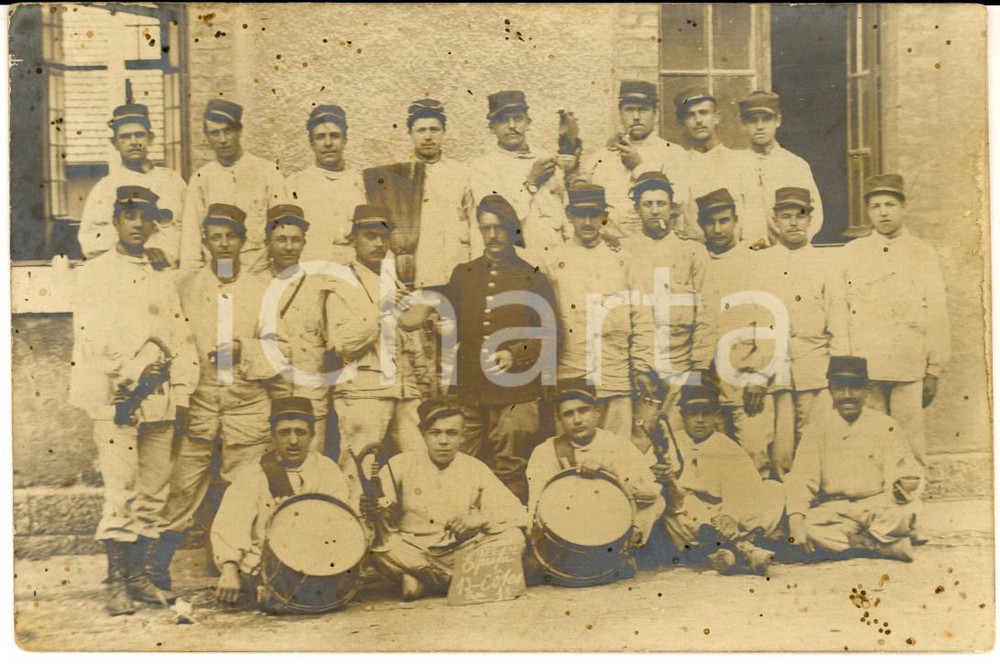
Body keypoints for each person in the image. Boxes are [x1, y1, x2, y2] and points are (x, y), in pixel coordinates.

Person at [69, 186, 198, 614]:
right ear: (115, 222)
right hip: (117, 399)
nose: (139, 225)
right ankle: (116, 582)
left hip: (159, 398)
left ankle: (140, 578)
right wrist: (130, 374)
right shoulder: (96, 273)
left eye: (146, 217)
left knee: (154, 491)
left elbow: (179, 333)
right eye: (130, 217)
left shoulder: (161, 272)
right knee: (120, 489)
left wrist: (181, 389)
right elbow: (92, 335)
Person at [153, 204, 283, 593]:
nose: (223, 244)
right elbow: (170, 342)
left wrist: (245, 350)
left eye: (230, 237)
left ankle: (244, 569)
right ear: (205, 242)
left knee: (246, 489)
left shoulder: (263, 290)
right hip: (201, 404)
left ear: (243, 241)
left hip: (247, 406)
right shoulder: (186, 287)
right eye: (215, 237)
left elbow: (281, 349)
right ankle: (157, 567)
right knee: (182, 487)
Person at [398, 194, 558, 502]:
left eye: (500, 228)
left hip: (516, 394)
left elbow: (551, 335)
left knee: (509, 469)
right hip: (469, 391)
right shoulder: (464, 273)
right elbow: (442, 310)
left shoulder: (532, 277)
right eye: (486, 228)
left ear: (512, 231)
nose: (493, 235)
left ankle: (508, 523)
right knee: (460, 464)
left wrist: (515, 353)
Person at [368, 395, 528, 601]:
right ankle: (463, 581)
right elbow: (381, 505)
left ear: (463, 436)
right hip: (414, 550)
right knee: (380, 547)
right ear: (422, 434)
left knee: (513, 536)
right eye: (435, 433)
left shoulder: (474, 467)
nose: (443, 441)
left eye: (452, 433)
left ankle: (426, 584)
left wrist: (481, 519)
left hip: (461, 551)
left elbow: (516, 513)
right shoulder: (400, 464)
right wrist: (378, 509)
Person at [841, 174, 950, 466]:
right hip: (867, 366)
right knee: (869, 439)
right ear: (868, 211)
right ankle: (874, 491)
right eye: (875, 206)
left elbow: (936, 312)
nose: (883, 212)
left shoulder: (922, 253)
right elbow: (843, 310)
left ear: (903, 207)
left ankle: (912, 491)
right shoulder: (853, 253)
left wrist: (934, 370)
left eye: (890, 204)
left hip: (909, 364)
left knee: (909, 442)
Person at [326, 205, 426, 507]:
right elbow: (344, 343)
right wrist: (381, 310)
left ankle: (416, 528)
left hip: (404, 392)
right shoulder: (341, 282)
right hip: (364, 392)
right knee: (357, 470)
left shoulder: (393, 280)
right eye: (370, 236)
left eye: (384, 237)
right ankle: (352, 529)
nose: (379, 244)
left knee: (418, 465)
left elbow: (410, 339)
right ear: (354, 239)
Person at [212, 397, 353, 608]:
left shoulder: (326, 470)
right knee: (245, 567)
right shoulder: (254, 473)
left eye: (300, 432)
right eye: (284, 432)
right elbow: (230, 523)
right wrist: (230, 568)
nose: (293, 441)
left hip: (316, 558)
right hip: (267, 562)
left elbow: (338, 524)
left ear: (312, 435)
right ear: (273, 435)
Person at [543, 184, 655, 441]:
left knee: (617, 450)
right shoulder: (553, 261)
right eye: (580, 215)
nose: (587, 222)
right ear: (569, 215)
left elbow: (642, 318)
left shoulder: (623, 260)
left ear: (604, 216)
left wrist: (641, 367)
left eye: (594, 215)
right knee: (574, 450)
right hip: (572, 373)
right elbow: (544, 322)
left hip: (615, 374)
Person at [785, 356, 923, 562]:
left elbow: (904, 473)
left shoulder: (885, 425)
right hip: (837, 509)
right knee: (806, 527)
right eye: (839, 389)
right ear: (830, 390)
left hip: (877, 506)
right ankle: (876, 545)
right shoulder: (817, 429)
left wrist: (902, 488)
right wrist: (795, 520)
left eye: (855, 388)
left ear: (866, 389)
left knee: (906, 511)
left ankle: (849, 544)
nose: (847, 396)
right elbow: (801, 478)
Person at [697, 188, 794, 477]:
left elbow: (771, 322)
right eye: (710, 222)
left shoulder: (755, 262)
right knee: (715, 462)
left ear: (736, 221)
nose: (718, 229)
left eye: (724, 221)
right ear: (701, 225)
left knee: (755, 457)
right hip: (710, 382)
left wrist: (760, 377)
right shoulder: (698, 261)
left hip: (748, 381)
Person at [651, 382, 785, 575]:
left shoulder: (726, 447)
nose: (700, 420)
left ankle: (724, 553)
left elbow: (743, 486)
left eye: (706, 413)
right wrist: (661, 476)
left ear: (716, 415)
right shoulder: (670, 443)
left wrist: (731, 515)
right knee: (674, 513)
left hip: (725, 512)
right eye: (693, 413)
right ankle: (742, 550)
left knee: (773, 489)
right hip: (691, 513)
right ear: (682, 415)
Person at [621, 171, 714, 443]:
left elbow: (706, 311)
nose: (655, 211)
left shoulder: (693, 252)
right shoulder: (624, 251)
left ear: (672, 208)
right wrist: (640, 368)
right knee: (642, 443)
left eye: (661, 203)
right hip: (642, 368)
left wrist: (698, 367)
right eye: (647, 204)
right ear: (637, 209)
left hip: (683, 365)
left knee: (681, 442)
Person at [760, 187, 848, 458]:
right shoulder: (762, 264)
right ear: (775, 221)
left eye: (800, 216)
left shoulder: (826, 264)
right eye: (786, 216)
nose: (794, 223)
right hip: (774, 368)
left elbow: (838, 321)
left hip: (815, 366)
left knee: (814, 439)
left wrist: (837, 371)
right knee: (780, 443)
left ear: (810, 219)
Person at [526, 380, 665, 549]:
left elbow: (650, 493)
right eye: (568, 414)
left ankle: (626, 551)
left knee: (655, 504)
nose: (577, 420)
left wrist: (610, 475)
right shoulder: (546, 451)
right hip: (569, 524)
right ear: (559, 420)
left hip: (612, 522)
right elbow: (537, 502)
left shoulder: (617, 445)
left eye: (583, 410)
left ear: (597, 411)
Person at [363, 98, 475, 288]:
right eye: (421, 130)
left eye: (434, 129)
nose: (428, 136)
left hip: (456, 268)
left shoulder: (461, 173)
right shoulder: (395, 176)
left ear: (444, 131)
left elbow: (474, 225)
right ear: (410, 134)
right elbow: (385, 233)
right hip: (416, 274)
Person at [256, 204, 332, 448]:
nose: (289, 247)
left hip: (311, 395)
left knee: (312, 461)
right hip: (266, 395)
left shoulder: (319, 285)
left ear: (304, 243)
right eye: (281, 239)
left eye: (295, 240)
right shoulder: (252, 284)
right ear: (267, 242)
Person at [180, 99, 287, 270]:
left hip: (259, 270)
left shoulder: (267, 172)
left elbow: (282, 229)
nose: (222, 140)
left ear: (239, 131)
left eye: (228, 131)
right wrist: (192, 277)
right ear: (207, 137)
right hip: (220, 272)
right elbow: (191, 237)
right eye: (215, 133)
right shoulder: (201, 178)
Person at [78, 104, 187, 265]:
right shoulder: (105, 188)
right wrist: (140, 251)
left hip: (174, 271)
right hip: (126, 272)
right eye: (125, 137)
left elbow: (193, 231)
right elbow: (90, 243)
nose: (134, 142)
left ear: (151, 138)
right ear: (115, 143)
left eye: (140, 135)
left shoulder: (173, 181)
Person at [469, 90, 569, 258]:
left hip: (556, 255)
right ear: (491, 127)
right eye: (503, 120)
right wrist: (531, 183)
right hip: (516, 259)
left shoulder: (546, 161)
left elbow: (564, 211)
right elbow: (497, 218)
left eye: (518, 118)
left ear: (528, 122)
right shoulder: (483, 168)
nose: (512, 126)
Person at [583, 80, 689, 240]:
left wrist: (638, 167)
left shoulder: (673, 154)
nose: (636, 117)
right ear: (620, 114)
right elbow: (588, 209)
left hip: (656, 245)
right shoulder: (600, 158)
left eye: (644, 110)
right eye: (629, 110)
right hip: (611, 247)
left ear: (655, 114)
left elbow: (679, 205)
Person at [673, 87, 765, 247]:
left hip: (736, 256)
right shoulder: (676, 166)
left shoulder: (742, 163)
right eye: (690, 115)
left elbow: (755, 227)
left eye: (704, 113)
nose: (698, 120)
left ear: (716, 117)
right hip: (691, 256)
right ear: (682, 124)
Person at [285, 104, 367, 267]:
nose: (328, 143)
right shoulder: (294, 184)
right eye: (320, 137)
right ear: (311, 143)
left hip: (354, 271)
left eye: (334, 136)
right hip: (310, 268)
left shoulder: (361, 184)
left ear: (345, 140)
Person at [738, 90, 824, 243]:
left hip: (786, 250)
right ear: (744, 124)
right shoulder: (734, 164)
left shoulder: (795, 165)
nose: (759, 126)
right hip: (746, 250)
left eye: (766, 119)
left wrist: (797, 242)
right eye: (752, 120)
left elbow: (814, 212)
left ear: (777, 120)